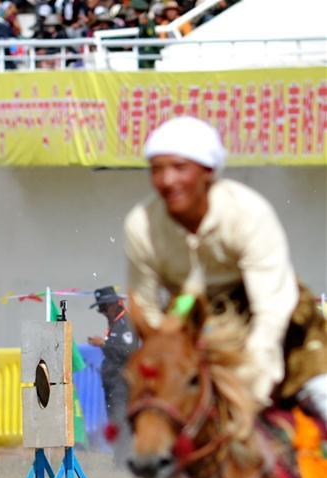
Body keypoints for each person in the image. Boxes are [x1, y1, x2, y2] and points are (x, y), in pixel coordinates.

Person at [124, 116, 327, 423]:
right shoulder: (141, 226)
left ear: (208, 173)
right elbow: (146, 310)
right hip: (194, 324)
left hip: (279, 326)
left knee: (322, 394)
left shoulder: (248, 213)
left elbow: (271, 312)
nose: (167, 181)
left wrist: (251, 382)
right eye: (157, 169)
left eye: (180, 168)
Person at [87, 286, 137, 466]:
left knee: (121, 420)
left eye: (104, 307)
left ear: (115, 304)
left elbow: (128, 351)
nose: (102, 312)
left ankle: (124, 462)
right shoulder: (115, 323)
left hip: (122, 383)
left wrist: (104, 343)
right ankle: (119, 460)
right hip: (112, 383)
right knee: (114, 421)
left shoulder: (126, 323)